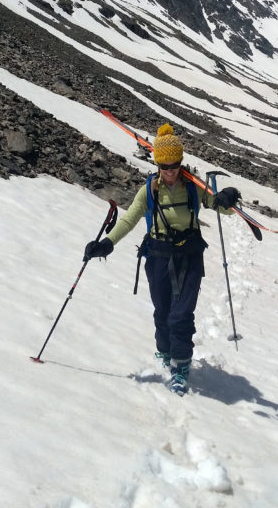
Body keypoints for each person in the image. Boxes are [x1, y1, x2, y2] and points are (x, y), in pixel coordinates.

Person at [83, 123, 240, 395]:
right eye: (165, 166)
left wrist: (230, 198)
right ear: (157, 164)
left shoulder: (193, 187)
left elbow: (222, 209)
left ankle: (180, 366)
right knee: (163, 311)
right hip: (157, 256)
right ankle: (165, 350)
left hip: (190, 256)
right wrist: (107, 244)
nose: (170, 171)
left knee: (181, 315)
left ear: (181, 162)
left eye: (175, 165)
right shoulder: (150, 190)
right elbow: (131, 217)